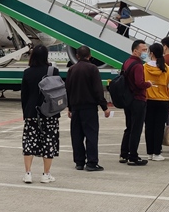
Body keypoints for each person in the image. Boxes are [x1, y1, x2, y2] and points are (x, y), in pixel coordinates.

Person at [19, 46, 60, 184]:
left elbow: (24, 95)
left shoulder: (27, 72)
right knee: (49, 141)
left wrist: (25, 113)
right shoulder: (53, 71)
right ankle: (46, 174)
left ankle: (28, 173)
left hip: (31, 112)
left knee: (29, 141)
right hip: (50, 112)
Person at [66, 46, 110, 171]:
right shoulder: (92, 68)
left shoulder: (72, 69)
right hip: (89, 107)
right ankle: (92, 162)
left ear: (77, 56)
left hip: (76, 108)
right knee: (91, 135)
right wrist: (104, 107)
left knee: (77, 135)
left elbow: (68, 89)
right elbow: (97, 90)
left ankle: (79, 162)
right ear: (90, 56)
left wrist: (69, 107)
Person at [119, 40, 151, 166]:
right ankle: (133, 156)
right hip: (138, 99)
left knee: (129, 127)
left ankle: (124, 153)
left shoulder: (126, 62)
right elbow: (139, 83)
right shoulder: (138, 65)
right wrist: (148, 84)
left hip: (128, 99)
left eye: (146, 50)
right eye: (143, 50)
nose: (145, 52)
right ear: (135, 51)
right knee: (136, 129)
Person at [143, 43, 169, 161]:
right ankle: (157, 152)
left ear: (151, 53)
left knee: (149, 127)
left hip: (148, 100)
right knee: (159, 127)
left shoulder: (144, 68)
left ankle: (150, 152)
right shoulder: (166, 69)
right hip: (163, 101)